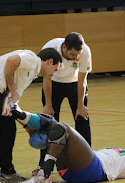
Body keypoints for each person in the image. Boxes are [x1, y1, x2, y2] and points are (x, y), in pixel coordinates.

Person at [10, 107, 125, 183]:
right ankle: (16, 112)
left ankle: (44, 175)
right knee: (52, 127)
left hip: (93, 170)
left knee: (62, 128)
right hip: (71, 171)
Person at [0, 48, 62, 183]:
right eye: (55, 69)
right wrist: (12, 86)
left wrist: (28, 128)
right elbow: (11, 60)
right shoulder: (32, 59)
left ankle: (7, 173)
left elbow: (12, 106)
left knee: (8, 130)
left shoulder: (30, 74)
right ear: (49, 62)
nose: (53, 74)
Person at [38, 32, 92, 169]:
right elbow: (47, 78)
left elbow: (82, 80)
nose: (76, 58)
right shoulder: (50, 48)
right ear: (64, 48)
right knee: (49, 123)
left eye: (78, 55)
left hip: (75, 84)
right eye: (73, 55)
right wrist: (48, 105)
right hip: (54, 84)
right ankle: (43, 164)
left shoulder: (85, 51)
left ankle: (87, 162)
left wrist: (80, 105)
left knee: (82, 118)